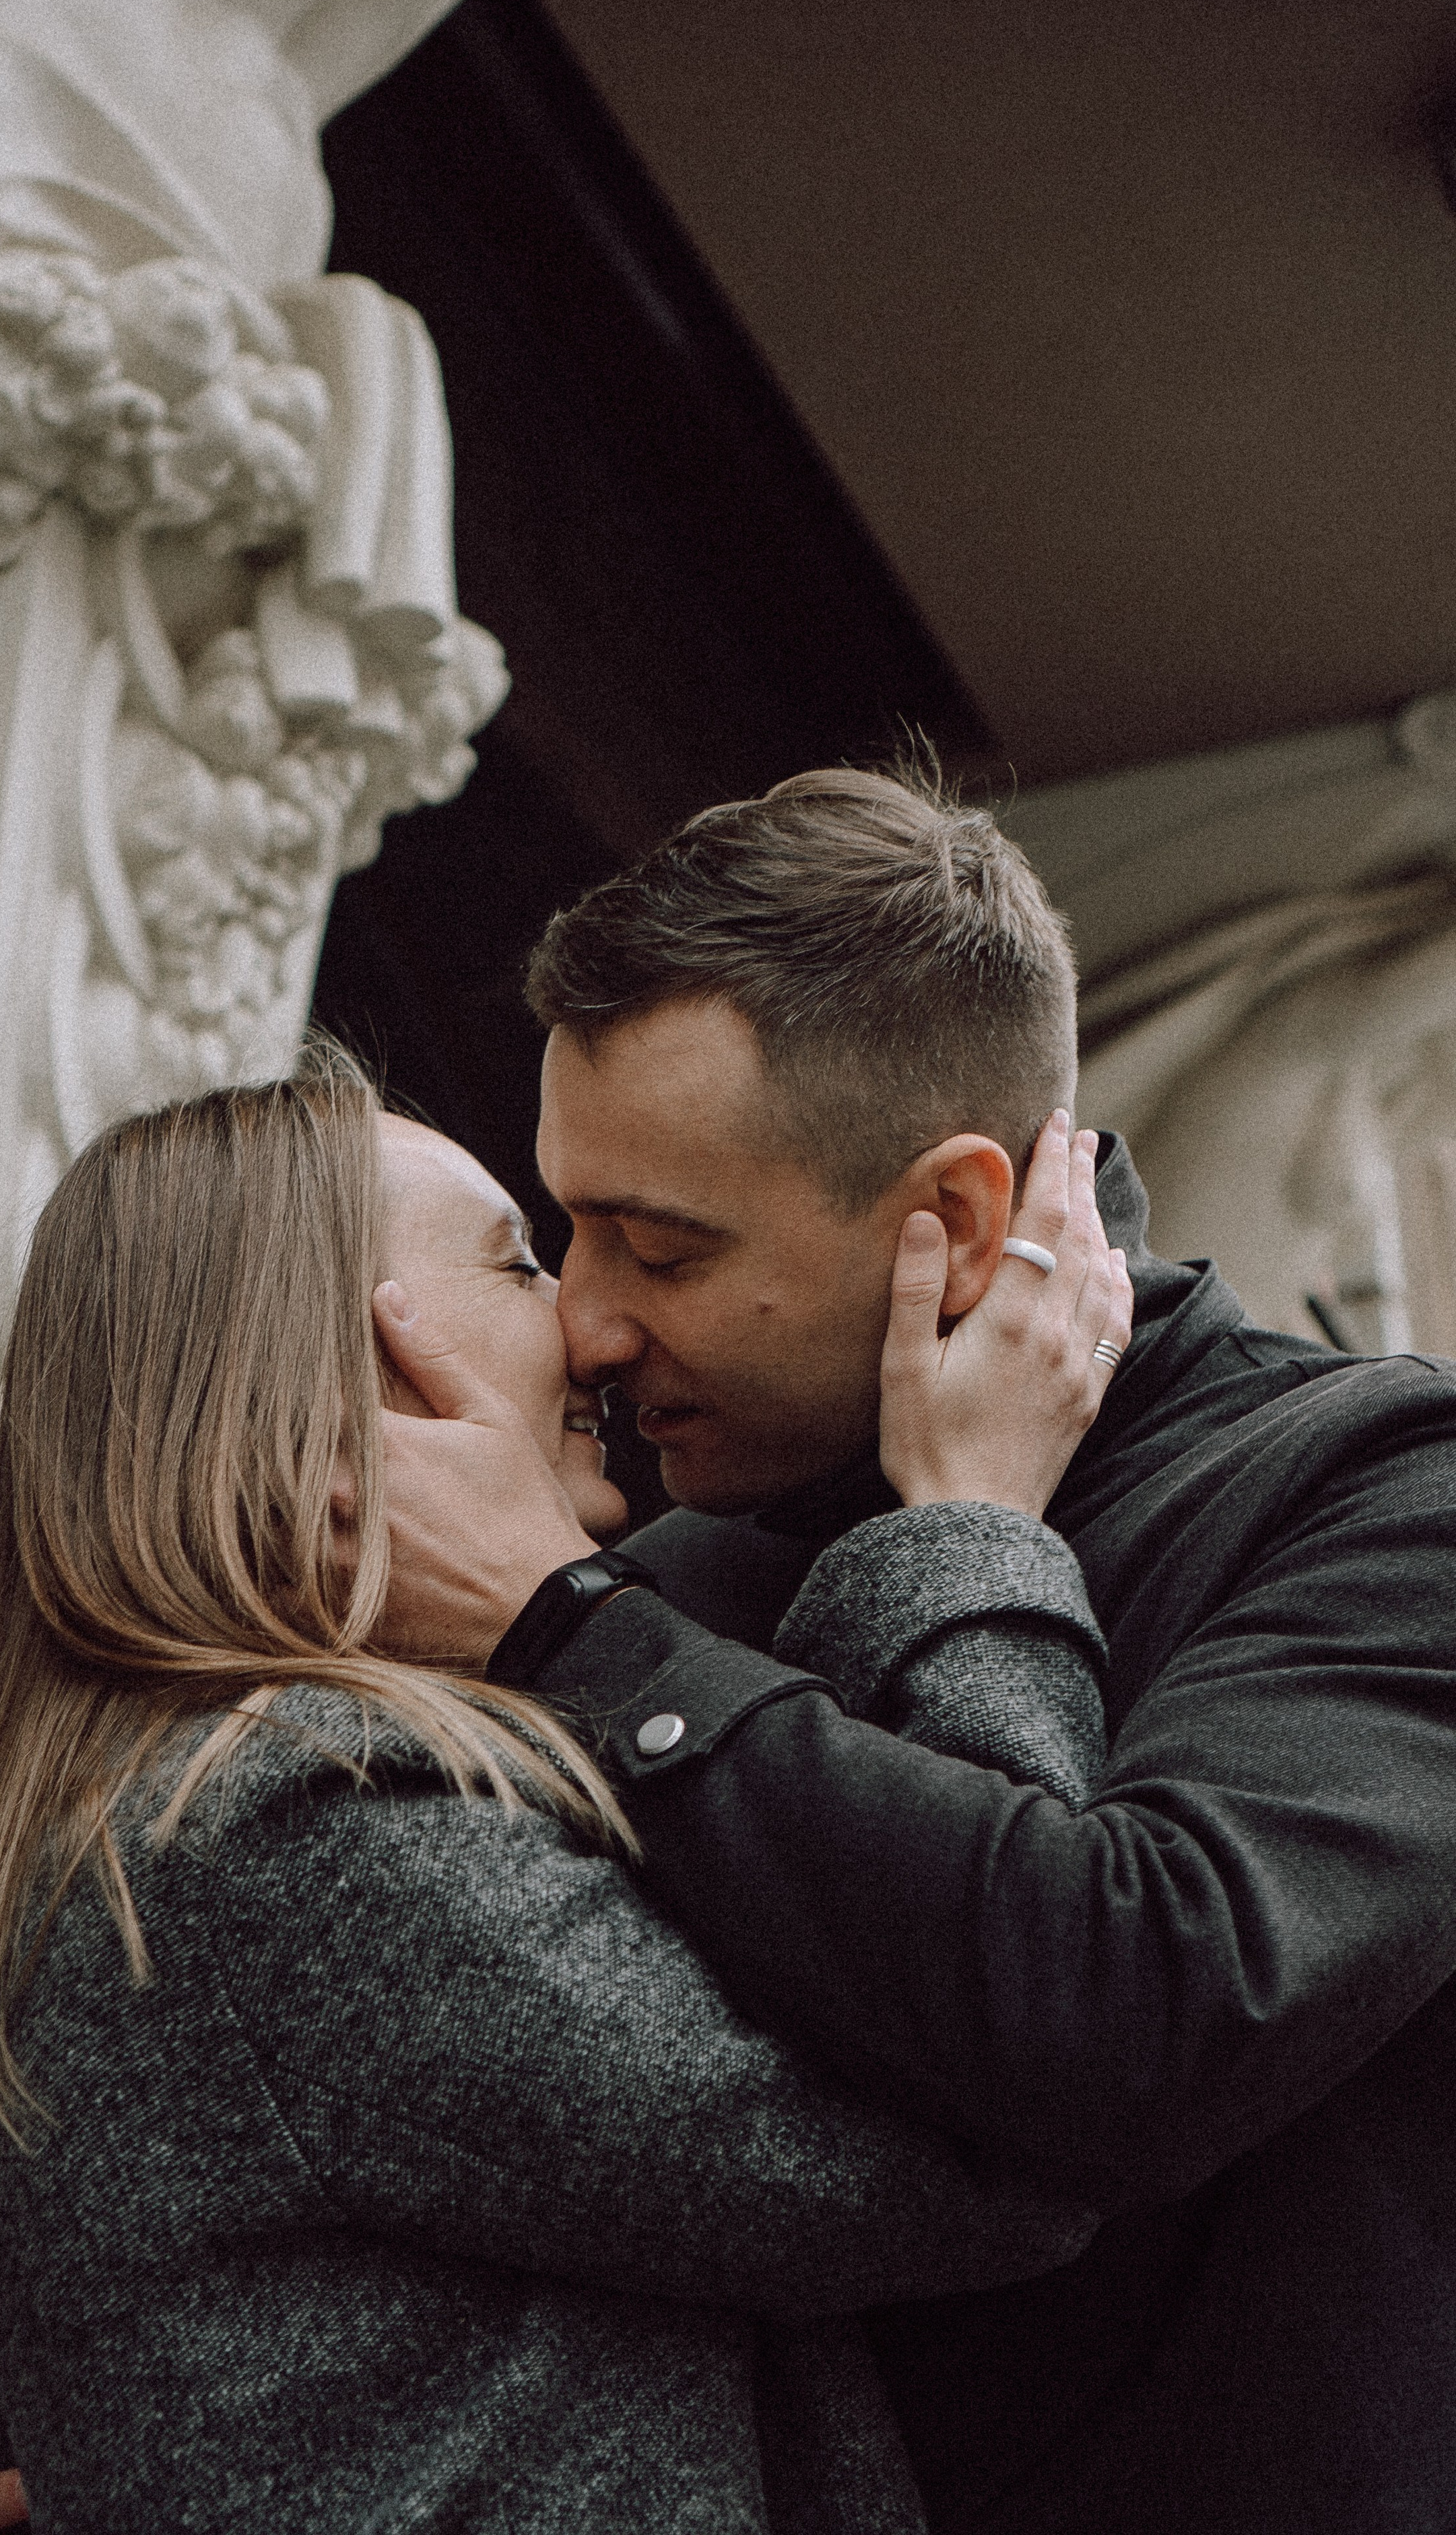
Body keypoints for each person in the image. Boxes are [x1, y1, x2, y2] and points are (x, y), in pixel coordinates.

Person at [374, 765, 1456, 2535]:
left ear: (953, 1221)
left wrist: (571, 1639)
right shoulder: (676, 1577)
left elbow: (1140, 2015)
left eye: (659, 1245)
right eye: (568, 1224)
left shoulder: (1382, 1491)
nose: (583, 1317)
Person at [0, 1030, 1135, 2535]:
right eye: (516, 1268)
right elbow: (1000, 2127)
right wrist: (972, 1517)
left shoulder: (185, 1816)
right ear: (326, 1389)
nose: (593, 1329)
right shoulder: (305, 1839)